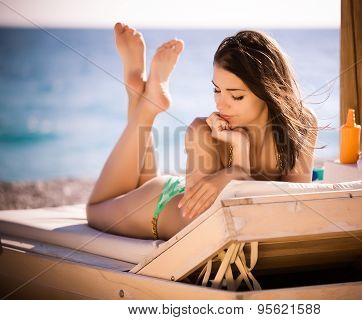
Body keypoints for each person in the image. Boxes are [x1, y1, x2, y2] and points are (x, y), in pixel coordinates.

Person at [86, 23, 318, 240]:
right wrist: (235, 167)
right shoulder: (203, 132)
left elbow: (294, 206)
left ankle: (138, 91)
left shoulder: (301, 125)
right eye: (217, 90)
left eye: (236, 95)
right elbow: (203, 225)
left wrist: (233, 169)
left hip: (181, 189)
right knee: (95, 210)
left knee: (139, 183)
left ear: (268, 91)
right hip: (159, 208)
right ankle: (145, 106)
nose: (220, 104)